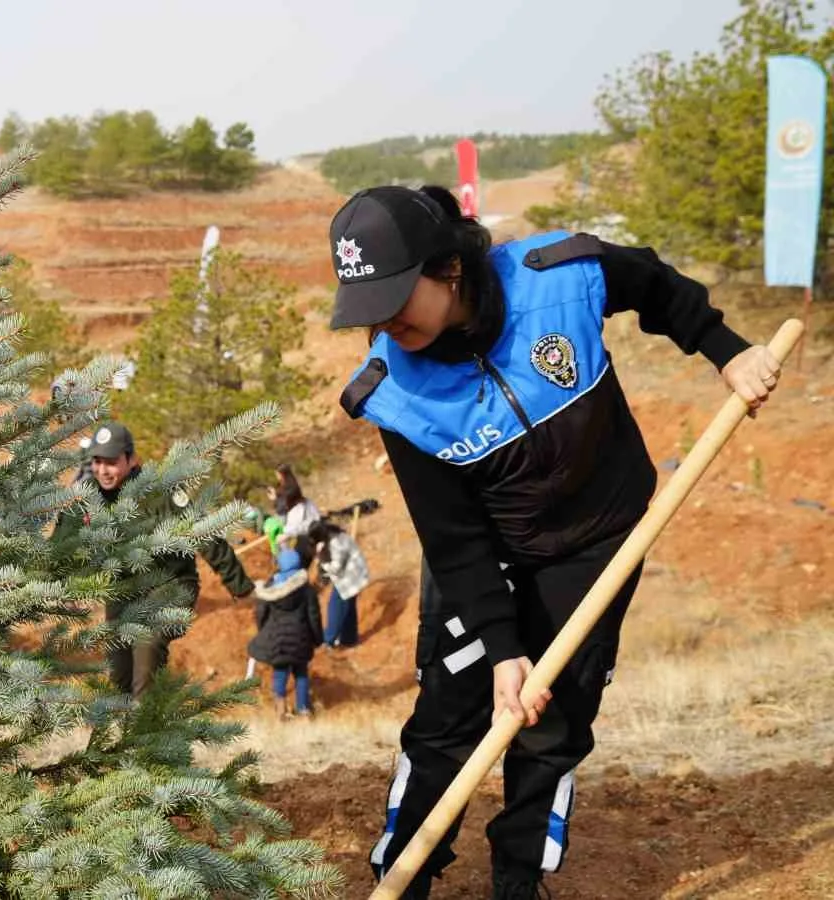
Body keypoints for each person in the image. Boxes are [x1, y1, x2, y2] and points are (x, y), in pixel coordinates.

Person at [328, 185, 783, 898]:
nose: (383, 322)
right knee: (451, 721)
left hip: (595, 543)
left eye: (394, 295)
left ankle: (517, 879)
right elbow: (454, 538)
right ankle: (404, 872)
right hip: (482, 558)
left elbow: (656, 285)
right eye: (367, 307)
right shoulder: (396, 393)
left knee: (554, 722)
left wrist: (725, 350)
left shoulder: (560, 277)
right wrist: (504, 650)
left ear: (448, 267)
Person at [52, 422, 255, 696]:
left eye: (111, 462)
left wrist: (240, 586)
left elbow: (206, 535)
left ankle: (144, 724)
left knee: (148, 640)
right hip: (123, 591)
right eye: (97, 462)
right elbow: (59, 546)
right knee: (120, 673)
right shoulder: (87, 497)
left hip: (171, 585)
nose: (102, 470)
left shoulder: (160, 492)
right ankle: (126, 726)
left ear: (131, 459)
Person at [247, 546, 324, 719]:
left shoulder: (270, 588)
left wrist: (264, 632)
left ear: (280, 564)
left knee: (280, 672)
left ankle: (280, 710)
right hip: (301, 640)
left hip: (277, 641)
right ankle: (304, 710)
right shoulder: (306, 590)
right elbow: (314, 616)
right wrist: (318, 638)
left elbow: (261, 614)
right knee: (301, 673)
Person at [308, 521, 370, 649]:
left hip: (349, 579)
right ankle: (349, 639)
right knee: (349, 608)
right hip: (355, 575)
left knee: (335, 608)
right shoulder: (335, 534)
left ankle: (328, 640)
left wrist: (322, 561)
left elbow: (336, 568)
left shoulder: (336, 543)